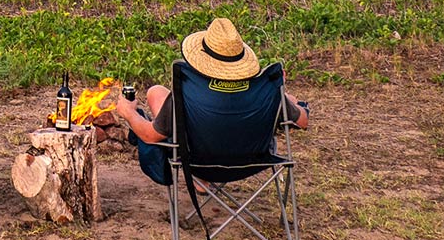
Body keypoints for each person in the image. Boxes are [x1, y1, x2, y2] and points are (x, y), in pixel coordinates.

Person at [112, 18, 308, 189]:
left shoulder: (188, 91)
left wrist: (129, 113)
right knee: (157, 93)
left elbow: (150, 136)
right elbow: (303, 121)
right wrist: (289, 100)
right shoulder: (265, 90)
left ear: (202, 57)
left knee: (157, 93)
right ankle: (201, 181)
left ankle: (201, 177)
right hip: (253, 161)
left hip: (197, 160)